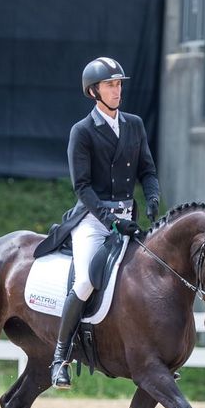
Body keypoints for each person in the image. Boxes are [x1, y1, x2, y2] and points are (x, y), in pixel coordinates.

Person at [48, 57, 161, 389]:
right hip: (95, 221)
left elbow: (147, 170)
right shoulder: (82, 132)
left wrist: (153, 196)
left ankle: (156, 354)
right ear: (93, 91)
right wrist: (112, 221)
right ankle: (59, 357)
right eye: (111, 85)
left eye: (119, 84)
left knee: (152, 278)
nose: (117, 90)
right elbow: (82, 188)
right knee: (84, 281)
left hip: (129, 217)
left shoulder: (134, 125)